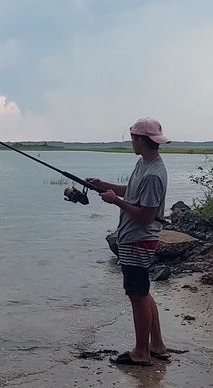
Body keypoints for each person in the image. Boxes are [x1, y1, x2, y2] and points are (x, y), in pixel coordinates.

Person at [86, 117, 170, 366]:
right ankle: (156, 345)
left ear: (141, 140)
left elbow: (146, 216)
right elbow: (132, 192)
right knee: (143, 292)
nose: (131, 141)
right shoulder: (144, 163)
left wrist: (115, 202)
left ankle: (141, 352)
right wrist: (104, 186)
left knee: (137, 295)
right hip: (133, 238)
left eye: (133, 137)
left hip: (139, 239)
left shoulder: (155, 174)